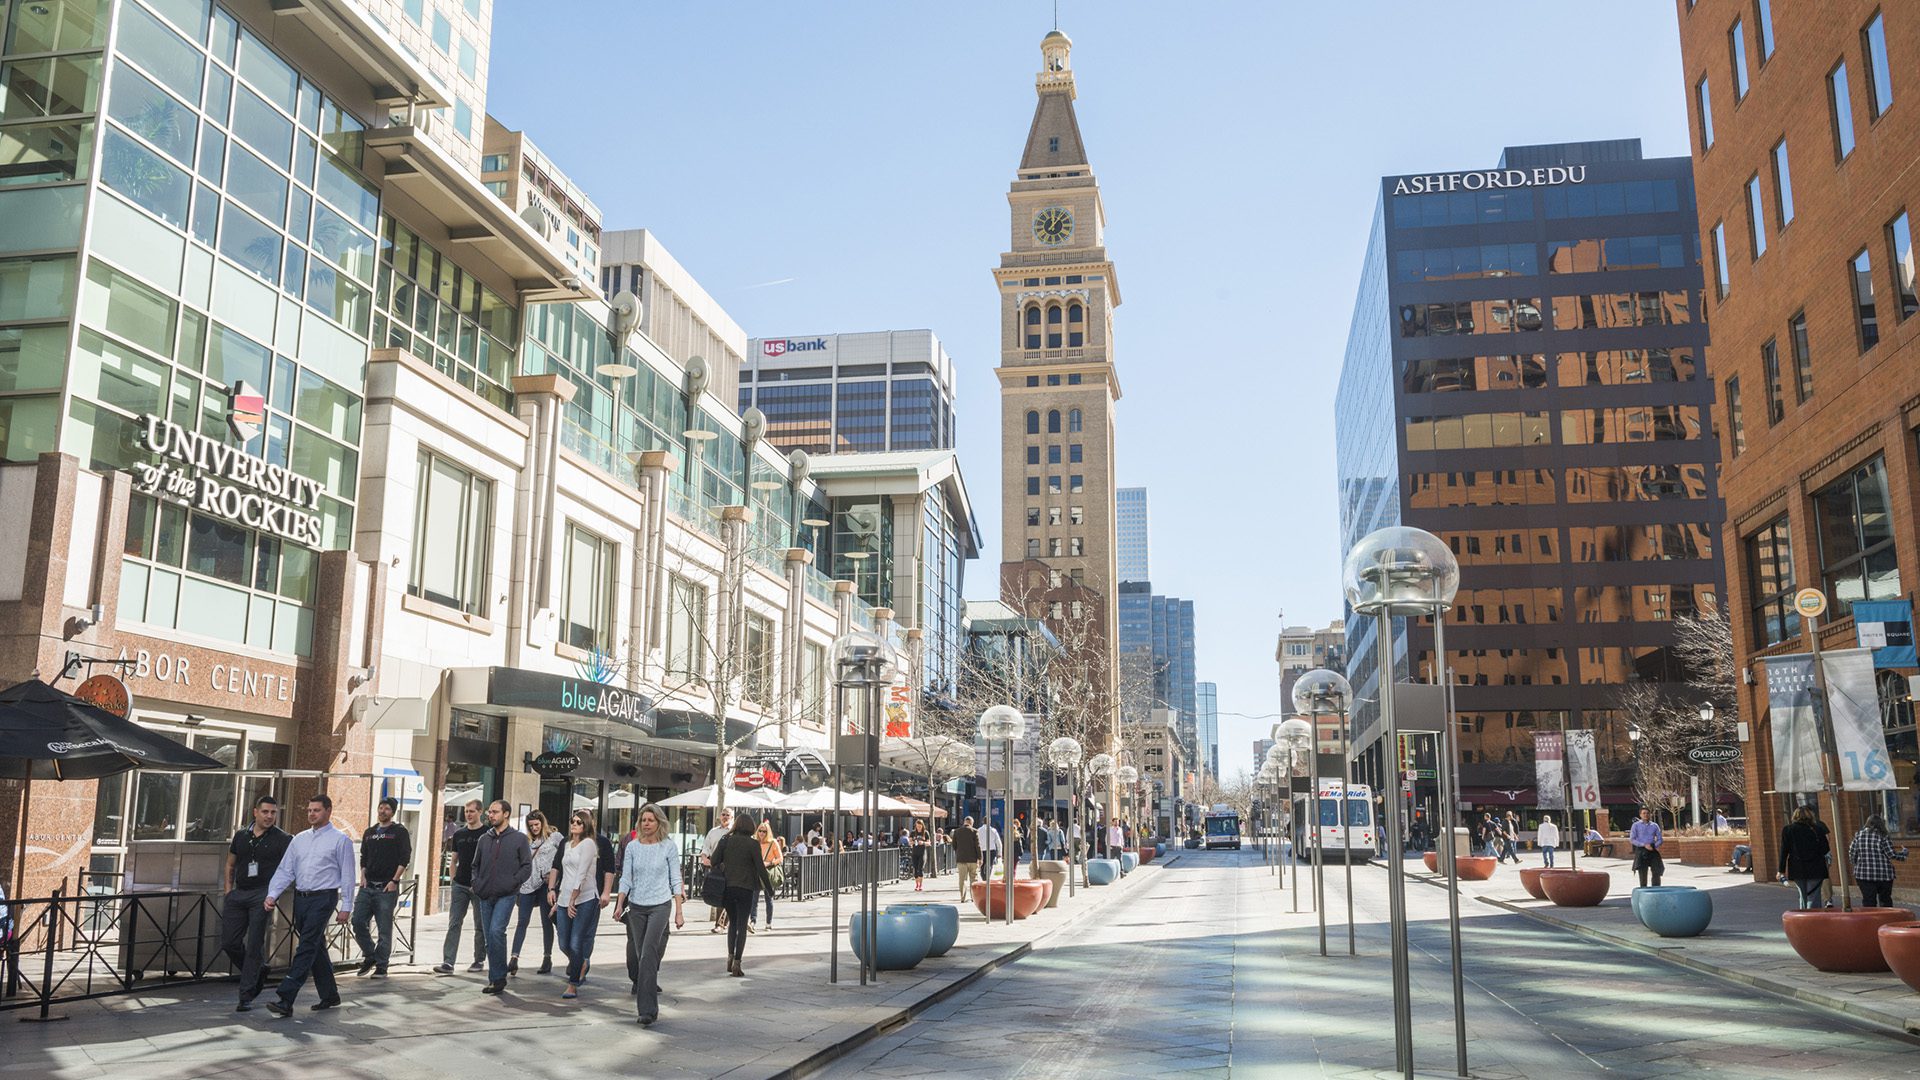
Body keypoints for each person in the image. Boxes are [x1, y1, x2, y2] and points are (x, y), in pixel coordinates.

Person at [260, 794, 355, 1017]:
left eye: (317, 810)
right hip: (301, 898)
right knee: (315, 946)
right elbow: (286, 870)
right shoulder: (299, 840)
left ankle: (286, 998)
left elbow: (348, 875)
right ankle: (330, 995)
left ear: (328, 811)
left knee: (306, 946)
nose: (312, 814)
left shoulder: (340, 840)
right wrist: (272, 894)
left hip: (324, 898)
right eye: (310, 810)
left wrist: (346, 905)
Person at [613, 802, 684, 1026]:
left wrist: (679, 911)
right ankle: (649, 1007)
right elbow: (626, 878)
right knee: (640, 956)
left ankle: (647, 1010)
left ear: (659, 822)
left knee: (647, 954)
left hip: (660, 905)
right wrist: (619, 904)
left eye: (650, 820)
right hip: (636, 907)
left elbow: (676, 879)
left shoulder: (668, 847)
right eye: (643, 820)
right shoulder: (632, 847)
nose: (646, 823)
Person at [222, 795, 289, 1011]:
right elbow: (230, 864)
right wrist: (228, 892)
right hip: (239, 894)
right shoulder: (241, 836)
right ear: (255, 812)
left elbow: (288, 868)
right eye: (265, 812)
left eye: (273, 812)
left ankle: (246, 995)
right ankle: (258, 971)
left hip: (263, 894)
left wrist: (274, 894)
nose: (269, 816)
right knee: (229, 943)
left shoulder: (282, 839)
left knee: (254, 945)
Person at [470, 799, 532, 995]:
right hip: (485, 894)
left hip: (506, 894)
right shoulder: (484, 839)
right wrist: (476, 883)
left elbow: (527, 866)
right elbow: (475, 865)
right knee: (489, 938)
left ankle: (498, 978)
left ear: (506, 814)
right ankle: (495, 978)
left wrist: (513, 882)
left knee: (497, 931)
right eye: (489, 812)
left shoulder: (519, 839)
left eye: (495, 812)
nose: (491, 815)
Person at [712, 811, 775, 977]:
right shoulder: (753, 844)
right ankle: (737, 963)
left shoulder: (726, 840)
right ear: (751, 827)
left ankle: (729, 958)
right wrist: (769, 889)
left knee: (732, 924)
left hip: (728, 887)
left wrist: (725, 865)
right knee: (742, 926)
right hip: (746, 888)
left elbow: (713, 861)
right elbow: (761, 869)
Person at [352, 796, 409, 978]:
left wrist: (394, 881)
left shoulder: (399, 831)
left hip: (386, 888)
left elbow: (404, 858)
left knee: (384, 929)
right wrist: (362, 876)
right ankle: (370, 955)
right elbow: (364, 856)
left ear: (393, 812)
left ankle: (382, 965)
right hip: (367, 886)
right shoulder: (369, 832)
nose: (383, 811)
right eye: (381, 807)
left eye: (387, 808)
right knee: (357, 921)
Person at [433, 800, 488, 974]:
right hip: (460, 885)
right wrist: (453, 880)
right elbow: (453, 860)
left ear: (480, 812)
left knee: (480, 925)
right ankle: (448, 962)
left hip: (479, 887)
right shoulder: (459, 834)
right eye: (466, 811)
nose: (468, 814)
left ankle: (479, 960)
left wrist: (482, 882)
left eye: (472, 811)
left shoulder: (487, 833)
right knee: (454, 923)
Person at [552, 809, 601, 999]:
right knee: (563, 942)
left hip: (585, 898)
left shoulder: (588, 844)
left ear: (586, 825)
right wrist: (560, 899)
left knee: (575, 941)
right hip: (565, 898)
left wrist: (573, 899)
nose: (574, 824)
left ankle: (572, 984)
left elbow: (581, 873)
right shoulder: (567, 845)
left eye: (579, 822)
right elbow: (565, 874)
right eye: (572, 821)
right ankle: (581, 962)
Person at [510, 810, 559, 976]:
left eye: (537, 824)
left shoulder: (554, 837)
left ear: (542, 823)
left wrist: (555, 878)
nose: (534, 828)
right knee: (522, 921)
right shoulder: (526, 841)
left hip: (546, 885)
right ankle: (514, 958)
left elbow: (563, 857)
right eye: (531, 826)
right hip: (527, 884)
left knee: (547, 922)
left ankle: (547, 958)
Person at [1849, 814, 1909, 908]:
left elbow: (1852, 853)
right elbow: (1891, 854)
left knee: (1869, 901)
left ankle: (1871, 917)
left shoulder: (1858, 836)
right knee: (1885, 900)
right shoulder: (1883, 836)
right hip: (1883, 874)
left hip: (1863, 875)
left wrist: (1857, 864)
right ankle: (1886, 916)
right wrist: (1904, 853)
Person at [1778, 806, 1831, 910]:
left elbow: (1784, 851)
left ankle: (1803, 915)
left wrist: (1781, 870)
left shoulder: (1788, 830)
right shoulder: (1818, 829)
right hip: (1816, 867)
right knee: (1813, 896)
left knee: (1802, 895)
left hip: (1797, 867)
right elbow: (1825, 849)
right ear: (1810, 816)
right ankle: (1813, 916)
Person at [702, 808, 734, 933]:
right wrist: (704, 858)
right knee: (718, 893)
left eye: (728, 815)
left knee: (729, 894)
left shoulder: (734, 832)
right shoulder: (713, 831)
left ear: (732, 818)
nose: (725, 817)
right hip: (716, 866)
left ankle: (722, 924)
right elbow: (706, 847)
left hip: (731, 867)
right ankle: (721, 924)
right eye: (723, 814)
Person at [749, 819, 783, 931]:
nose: (761, 833)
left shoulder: (773, 842)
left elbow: (780, 858)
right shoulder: (754, 842)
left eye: (764, 831)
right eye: (760, 831)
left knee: (769, 899)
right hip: (756, 873)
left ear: (768, 832)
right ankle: (753, 921)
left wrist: (769, 863)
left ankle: (768, 923)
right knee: (753, 899)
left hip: (768, 873)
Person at [1628, 807, 1664, 888]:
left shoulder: (1655, 826)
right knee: (1643, 872)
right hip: (1641, 850)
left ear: (1650, 814)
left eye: (1647, 813)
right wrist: (1644, 845)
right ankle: (1644, 890)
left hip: (1652, 849)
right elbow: (1632, 839)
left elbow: (1660, 839)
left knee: (1656, 871)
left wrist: (1654, 846)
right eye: (1644, 813)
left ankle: (1656, 889)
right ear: (1640, 815)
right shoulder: (1635, 825)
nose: (1646, 815)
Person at [953, 816, 981, 899]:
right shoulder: (974, 831)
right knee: (973, 879)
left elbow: (954, 845)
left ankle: (962, 897)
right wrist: (980, 858)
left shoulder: (957, 831)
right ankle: (973, 897)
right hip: (973, 859)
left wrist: (959, 852)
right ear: (971, 823)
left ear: (964, 822)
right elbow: (977, 846)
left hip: (961, 859)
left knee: (962, 879)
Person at [909, 819, 931, 891]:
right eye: (917, 826)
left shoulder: (925, 833)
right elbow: (910, 842)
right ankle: (917, 885)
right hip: (915, 853)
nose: (918, 828)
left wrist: (923, 843)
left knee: (920, 868)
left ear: (922, 826)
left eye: (920, 826)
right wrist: (913, 842)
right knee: (915, 868)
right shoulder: (913, 833)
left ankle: (921, 885)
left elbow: (929, 843)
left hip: (922, 853)